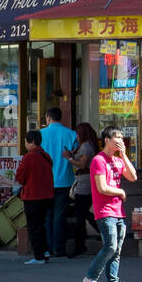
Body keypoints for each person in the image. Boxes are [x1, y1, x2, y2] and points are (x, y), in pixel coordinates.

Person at [84, 127, 137, 282]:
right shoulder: (98, 160)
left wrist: (124, 155)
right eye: (117, 138)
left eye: (122, 138)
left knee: (117, 249)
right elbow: (102, 187)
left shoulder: (118, 160)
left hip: (118, 211)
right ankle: (91, 277)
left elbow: (133, 177)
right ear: (106, 140)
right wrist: (120, 192)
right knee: (111, 246)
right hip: (105, 211)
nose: (121, 141)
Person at [41, 107, 77, 257]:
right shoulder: (71, 134)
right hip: (64, 180)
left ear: (48, 118)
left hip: (45, 180)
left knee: (47, 215)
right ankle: (59, 247)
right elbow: (75, 155)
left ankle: (48, 247)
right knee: (59, 214)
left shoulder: (40, 134)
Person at [17, 129, 54, 265]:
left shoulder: (29, 157)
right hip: (47, 195)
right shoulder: (45, 155)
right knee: (41, 225)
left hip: (33, 196)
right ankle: (45, 251)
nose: (25, 144)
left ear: (31, 142)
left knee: (34, 226)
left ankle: (38, 256)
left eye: (26, 141)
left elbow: (20, 177)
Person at [66, 123, 100, 259]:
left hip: (85, 183)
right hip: (85, 181)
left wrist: (68, 158)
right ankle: (101, 232)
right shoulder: (87, 145)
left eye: (78, 134)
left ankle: (80, 244)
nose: (77, 136)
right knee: (84, 212)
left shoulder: (86, 146)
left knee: (80, 213)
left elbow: (82, 164)